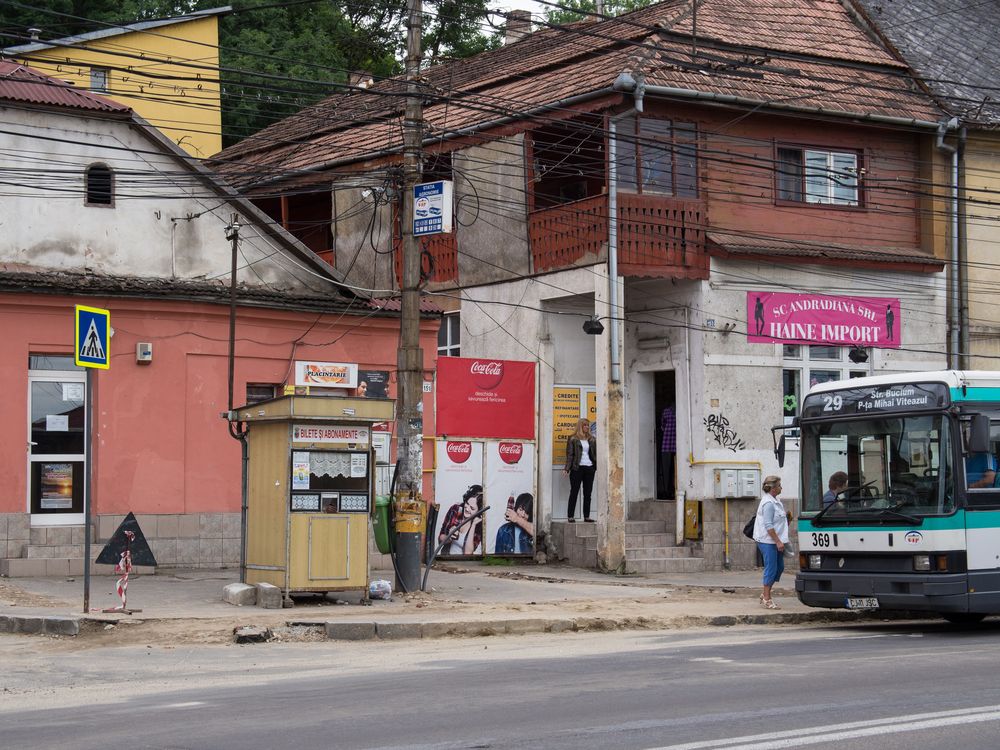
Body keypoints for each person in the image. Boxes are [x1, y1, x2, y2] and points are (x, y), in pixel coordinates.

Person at [752, 475, 789, 609]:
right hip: (768, 541)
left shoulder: (776, 501)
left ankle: (765, 593)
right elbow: (768, 525)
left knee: (779, 567)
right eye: (779, 485)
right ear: (773, 488)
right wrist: (778, 541)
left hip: (775, 540)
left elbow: (777, 521)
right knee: (771, 567)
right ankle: (767, 598)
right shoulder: (768, 503)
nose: (781, 487)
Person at [563, 417, 597, 522]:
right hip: (577, 468)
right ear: (580, 426)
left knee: (588, 493)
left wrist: (595, 466)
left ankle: (586, 516)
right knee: (574, 492)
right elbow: (570, 454)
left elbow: (595, 454)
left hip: (589, 468)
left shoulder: (592, 439)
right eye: (585, 425)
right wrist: (567, 468)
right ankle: (570, 516)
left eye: (588, 425)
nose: (587, 427)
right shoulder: (573, 439)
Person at [438, 484, 483, 555]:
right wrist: (450, 537)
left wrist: (473, 525)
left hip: (463, 563)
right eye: (467, 503)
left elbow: (468, 553)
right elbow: (440, 540)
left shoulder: (479, 524)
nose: (467, 509)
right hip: (446, 559)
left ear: (479, 510)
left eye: (472, 508)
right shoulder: (455, 509)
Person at [660, 404, 676, 499]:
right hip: (675, 445)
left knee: (668, 469)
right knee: (673, 469)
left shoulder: (666, 411)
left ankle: (668, 490)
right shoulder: (678, 411)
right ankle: (669, 491)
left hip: (667, 444)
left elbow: (662, 426)